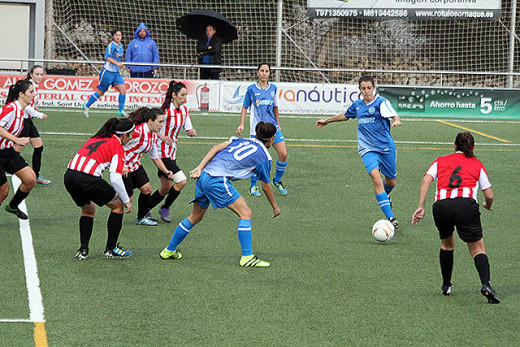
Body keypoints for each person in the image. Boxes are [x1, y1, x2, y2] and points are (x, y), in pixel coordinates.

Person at [159, 122, 281, 268]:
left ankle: (169, 250)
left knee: (195, 217)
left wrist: (200, 167)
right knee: (246, 213)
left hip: (204, 175)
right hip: (217, 179)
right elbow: (266, 186)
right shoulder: (265, 157)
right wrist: (275, 207)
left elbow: (216, 148)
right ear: (272, 139)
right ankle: (247, 257)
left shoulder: (241, 140)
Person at [412, 132, 500, 304]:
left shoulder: (440, 161)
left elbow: (426, 181)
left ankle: (446, 285)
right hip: (466, 206)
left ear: (454, 146)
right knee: (477, 249)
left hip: (442, 206)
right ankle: (486, 285)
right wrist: (487, 205)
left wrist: (421, 206)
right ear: (473, 148)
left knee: (447, 244)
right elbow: (489, 195)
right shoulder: (477, 164)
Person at [315, 75, 401, 228]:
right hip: (367, 149)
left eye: (369, 88)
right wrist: (327, 121)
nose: (366, 91)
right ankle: (391, 218)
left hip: (386, 147)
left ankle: (386, 194)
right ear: (360, 90)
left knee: (391, 181)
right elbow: (345, 115)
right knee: (376, 178)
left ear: (374, 88)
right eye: (363, 88)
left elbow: (393, 114)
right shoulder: (357, 105)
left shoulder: (381, 102)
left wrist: (396, 120)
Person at [64, 118, 135, 260]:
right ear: (124, 135)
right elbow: (115, 178)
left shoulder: (97, 137)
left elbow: (97, 157)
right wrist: (127, 200)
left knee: (88, 210)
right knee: (118, 206)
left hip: (70, 175)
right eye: (131, 135)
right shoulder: (117, 145)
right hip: (88, 179)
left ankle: (83, 250)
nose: (131, 138)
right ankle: (111, 248)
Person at [147, 81, 196, 223]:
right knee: (181, 181)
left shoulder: (185, 110)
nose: (185, 98)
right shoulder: (165, 110)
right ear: (174, 95)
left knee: (165, 188)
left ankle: (144, 209)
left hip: (172, 152)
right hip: (161, 152)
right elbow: (150, 126)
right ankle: (165, 208)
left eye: (186, 95)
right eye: (182, 95)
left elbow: (188, 128)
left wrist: (191, 131)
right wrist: (161, 136)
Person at [236, 63, 288, 197]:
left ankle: (277, 180)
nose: (264, 73)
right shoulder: (251, 89)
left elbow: (275, 107)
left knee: (283, 154)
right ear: (257, 73)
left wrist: (278, 123)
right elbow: (244, 107)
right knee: (256, 158)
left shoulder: (273, 89)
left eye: (267, 71)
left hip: (273, 128)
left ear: (269, 73)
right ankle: (253, 186)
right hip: (257, 129)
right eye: (262, 71)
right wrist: (241, 124)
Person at [123, 107, 174, 227]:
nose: (162, 125)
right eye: (160, 122)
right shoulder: (137, 132)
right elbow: (118, 142)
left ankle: (141, 218)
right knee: (125, 199)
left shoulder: (152, 135)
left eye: (163, 122)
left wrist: (166, 171)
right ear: (150, 121)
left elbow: (155, 157)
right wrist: (120, 164)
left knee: (147, 190)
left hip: (135, 166)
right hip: (123, 168)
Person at [0, 80, 37, 220]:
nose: (34, 95)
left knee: (30, 179)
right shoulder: (11, 108)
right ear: (21, 94)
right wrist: (16, 140)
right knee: (3, 191)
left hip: (7, 151)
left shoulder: (22, 110)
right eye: (31, 92)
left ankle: (13, 206)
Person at [13, 65, 50, 186]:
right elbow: (25, 106)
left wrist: (34, 108)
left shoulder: (33, 86)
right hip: (23, 121)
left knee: (39, 147)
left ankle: (36, 174)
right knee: (15, 150)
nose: (39, 77)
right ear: (31, 75)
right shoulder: (28, 86)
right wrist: (39, 114)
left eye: (41, 74)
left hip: (28, 121)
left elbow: (28, 105)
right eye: (37, 74)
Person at [82, 29, 127, 118]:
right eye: (116, 35)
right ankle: (86, 106)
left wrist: (120, 65)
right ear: (113, 37)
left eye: (120, 35)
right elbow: (107, 58)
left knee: (123, 90)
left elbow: (117, 58)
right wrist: (117, 63)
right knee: (101, 92)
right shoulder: (111, 46)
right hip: (107, 73)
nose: (118, 37)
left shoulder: (121, 46)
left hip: (116, 73)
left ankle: (120, 110)